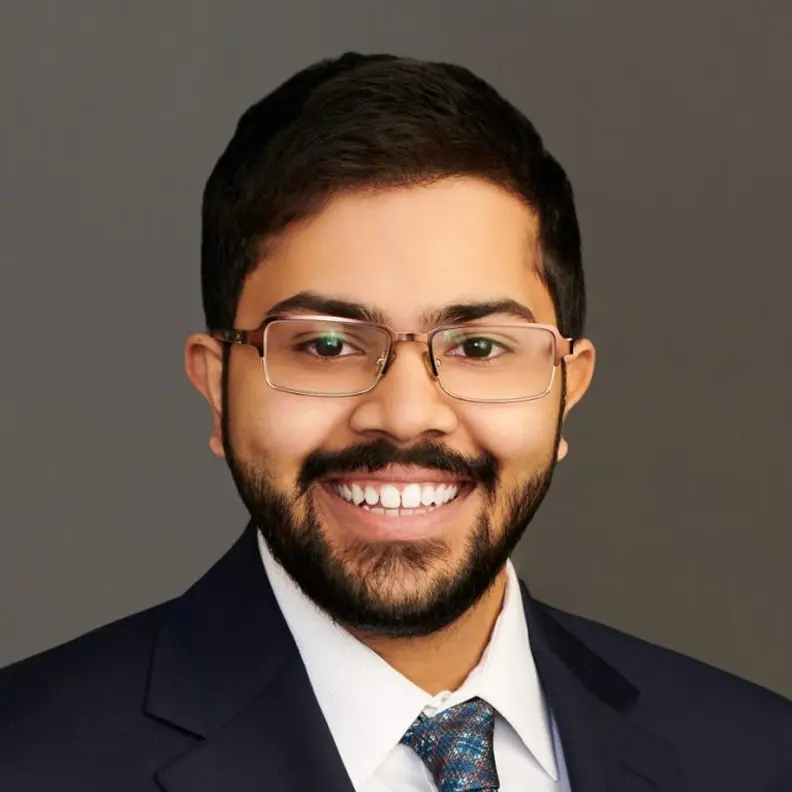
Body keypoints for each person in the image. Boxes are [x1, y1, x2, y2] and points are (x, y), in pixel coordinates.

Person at [1, 51, 790, 792]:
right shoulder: (30, 756)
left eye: (480, 345)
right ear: (217, 389)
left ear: (565, 390)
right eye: (328, 344)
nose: (407, 415)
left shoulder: (755, 754)